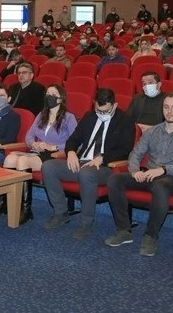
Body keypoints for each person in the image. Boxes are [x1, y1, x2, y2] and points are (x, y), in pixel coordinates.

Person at [106, 93, 173, 256]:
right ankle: (123, 231)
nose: (169, 111)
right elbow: (135, 153)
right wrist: (135, 171)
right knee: (115, 179)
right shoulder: (152, 131)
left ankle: (150, 236)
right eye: (166, 107)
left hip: (172, 179)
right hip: (148, 174)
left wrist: (164, 169)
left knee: (160, 185)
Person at [42, 88, 135, 240]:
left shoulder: (125, 121)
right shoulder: (89, 116)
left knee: (86, 173)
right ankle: (61, 212)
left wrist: (103, 157)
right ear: (94, 104)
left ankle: (86, 222)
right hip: (82, 162)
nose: (102, 114)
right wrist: (71, 152)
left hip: (105, 167)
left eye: (106, 111)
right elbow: (73, 140)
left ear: (115, 105)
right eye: (98, 110)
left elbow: (126, 150)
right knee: (48, 166)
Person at [0, 84, 77, 224]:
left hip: (55, 155)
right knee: (9, 159)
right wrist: (33, 144)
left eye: (53, 94)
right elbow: (29, 136)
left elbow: (76, 142)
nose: (49, 97)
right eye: (48, 94)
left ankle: (25, 209)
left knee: (22, 161)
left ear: (61, 98)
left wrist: (53, 146)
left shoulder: (69, 118)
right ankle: (5, 202)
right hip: (37, 151)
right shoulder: (41, 115)